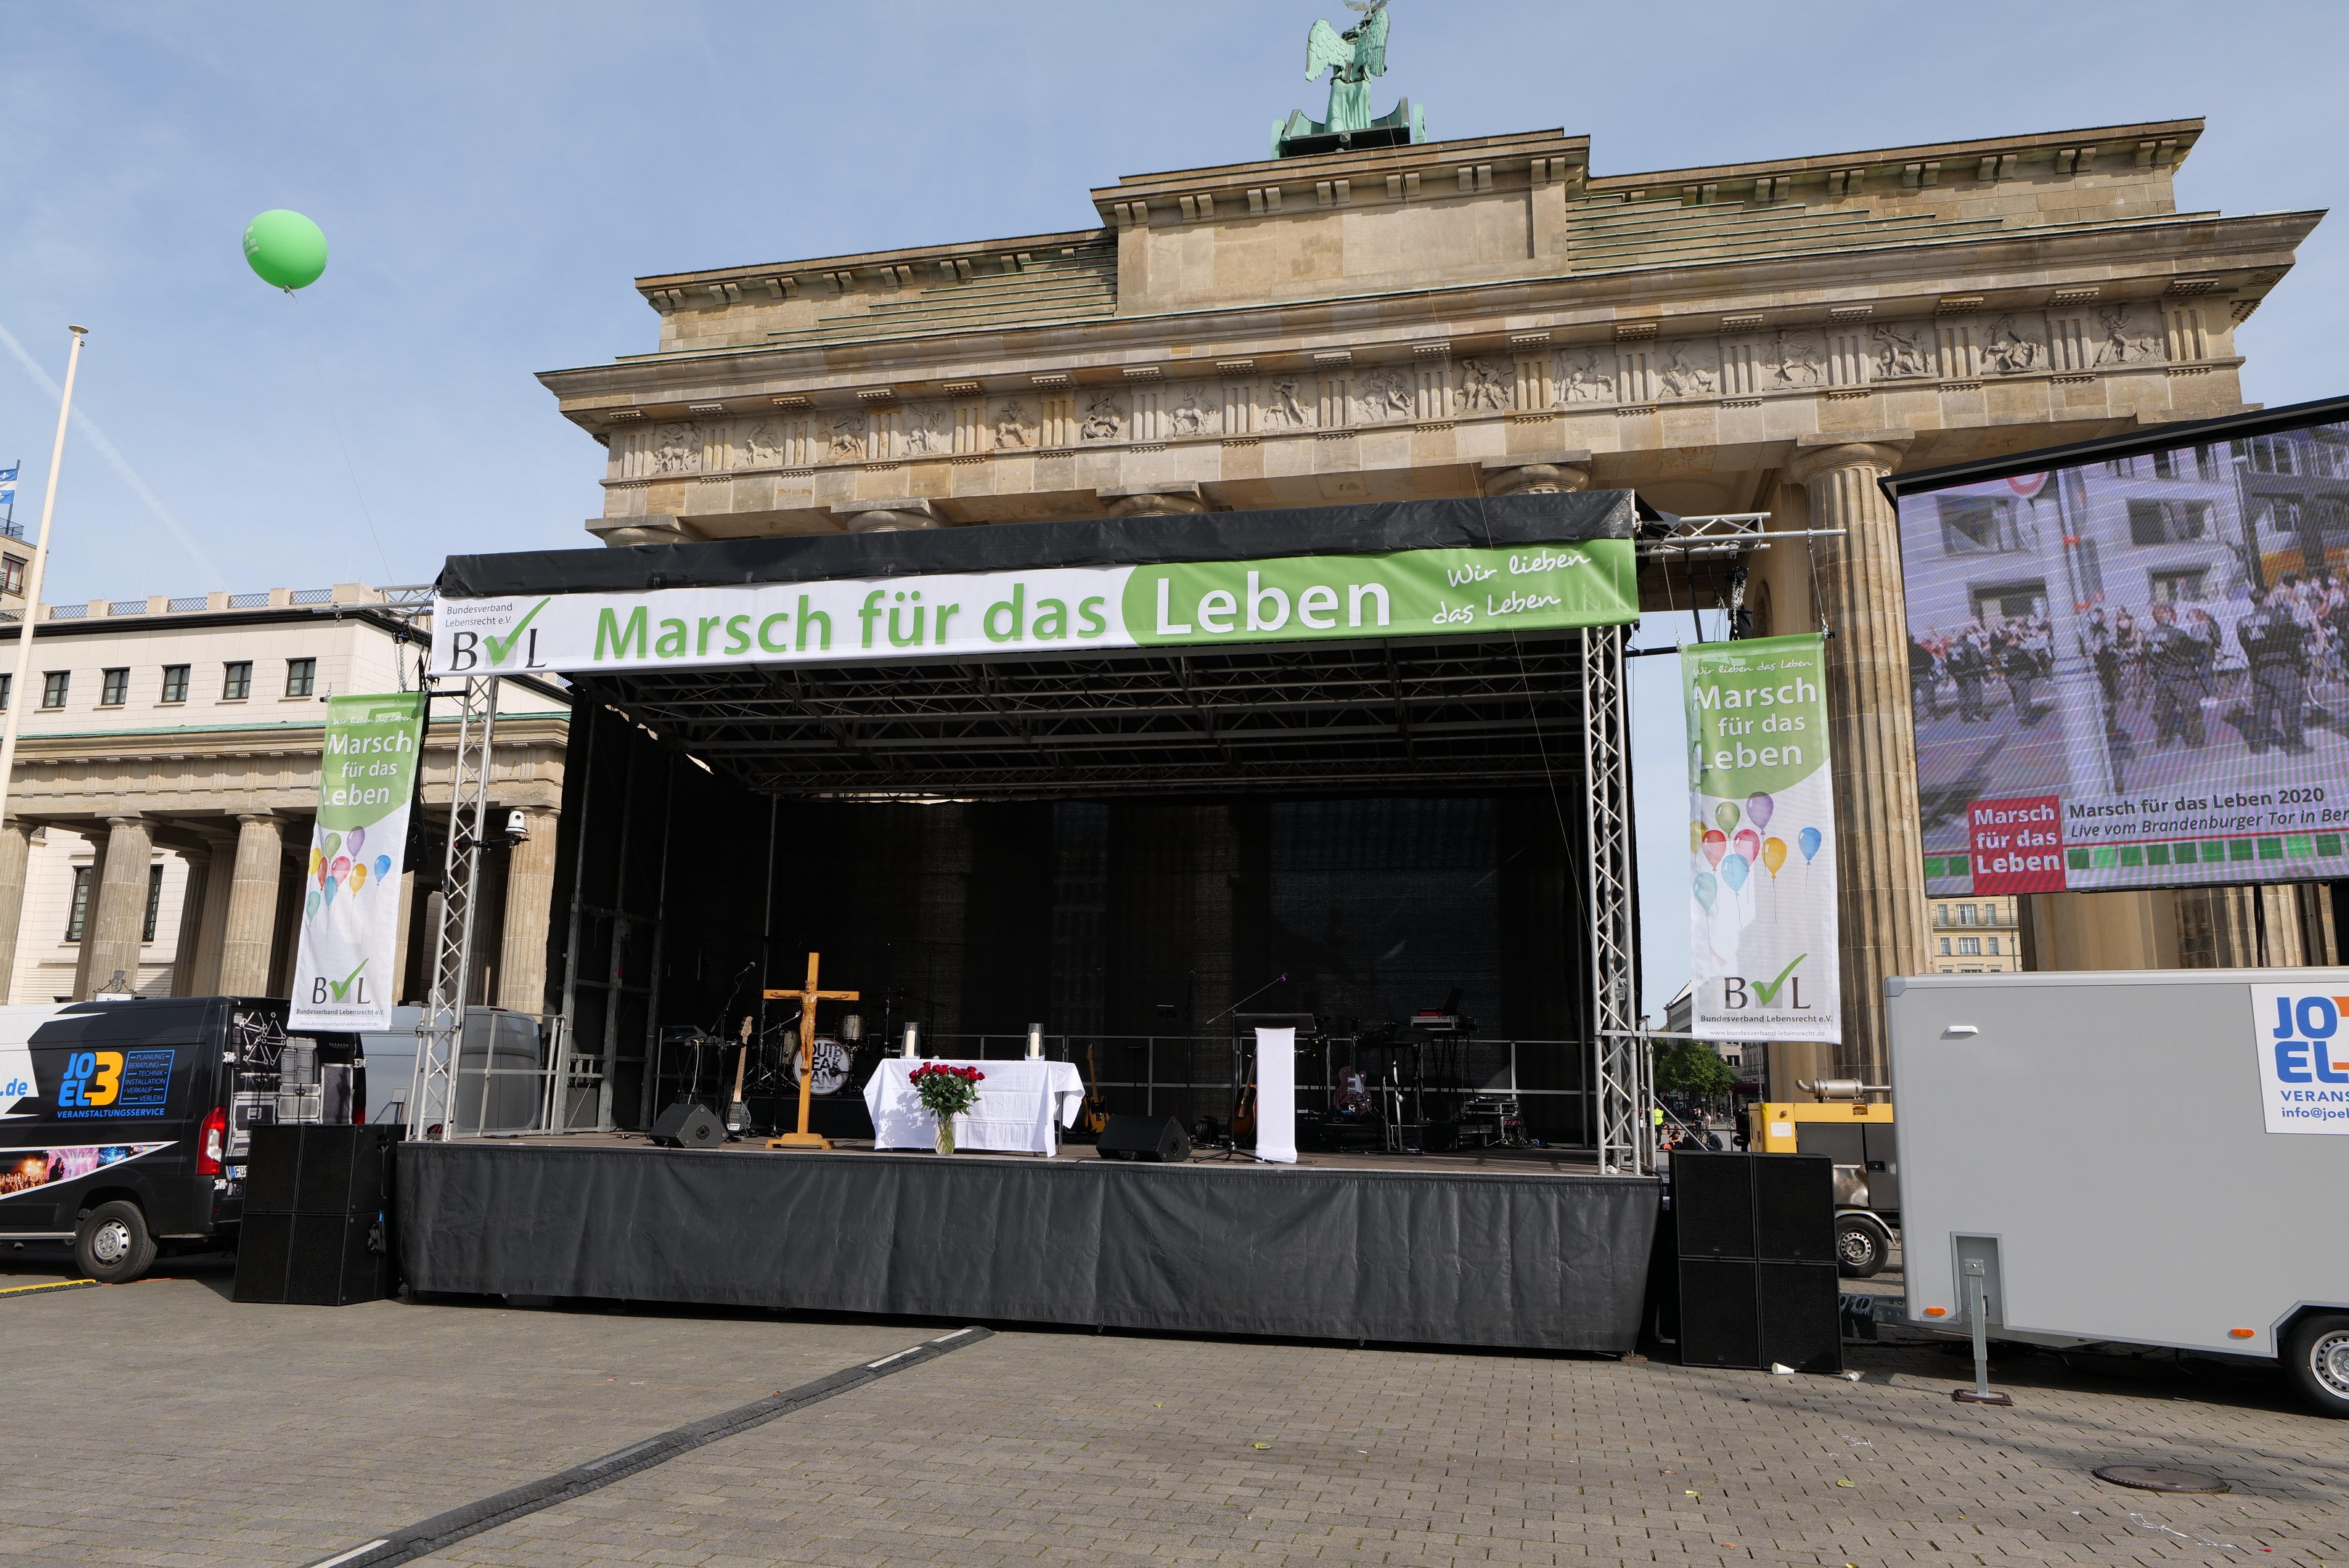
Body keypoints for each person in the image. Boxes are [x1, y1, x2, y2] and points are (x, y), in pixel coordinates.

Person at [2239, 587, 2313, 754]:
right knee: (2290, 706)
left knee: (2262, 708)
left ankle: (2261, 745)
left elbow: (2246, 647)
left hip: (2259, 669)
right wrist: (2302, 667)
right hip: (2282, 666)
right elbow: (2295, 643)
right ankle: (2295, 745)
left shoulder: (2242, 623)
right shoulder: (2279, 617)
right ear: (2267, 598)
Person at [2143, 603, 2210, 747]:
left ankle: (2163, 741)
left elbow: (2148, 659)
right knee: (2192, 709)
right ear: (2166, 616)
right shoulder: (2176, 634)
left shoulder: (2148, 637)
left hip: (2162, 677)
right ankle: (2197, 741)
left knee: (2164, 712)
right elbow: (2193, 650)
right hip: (2180, 675)